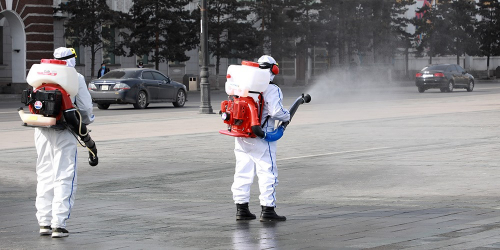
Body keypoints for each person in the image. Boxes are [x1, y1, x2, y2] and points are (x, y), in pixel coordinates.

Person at [35, 47, 95, 238]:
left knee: (44, 174)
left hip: (42, 129)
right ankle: (58, 224)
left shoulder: (43, 72)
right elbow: (85, 108)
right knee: (65, 174)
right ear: (73, 59)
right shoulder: (75, 76)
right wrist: (86, 123)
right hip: (65, 129)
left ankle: (43, 222)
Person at [231, 55, 290, 222]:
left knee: (242, 171)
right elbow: (276, 112)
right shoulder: (272, 89)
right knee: (267, 172)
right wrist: (286, 116)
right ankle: (268, 210)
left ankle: (241, 209)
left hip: (242, 135)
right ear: (273, 70)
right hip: (262, 136)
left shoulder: (245, 86)